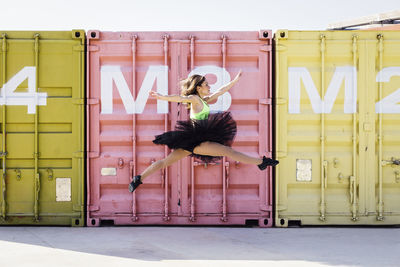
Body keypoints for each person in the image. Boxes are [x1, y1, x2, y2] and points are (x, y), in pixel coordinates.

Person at [129, 71, 279, 193]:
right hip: (196, 138)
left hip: (192, 140)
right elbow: (180, 98)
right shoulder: (194, 98)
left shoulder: (205, 100)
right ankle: (262, 162)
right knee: (228, 151)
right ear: (198, 87)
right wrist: (161, 96)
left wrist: (234, 82)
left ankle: (139, 178)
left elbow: (221, 91)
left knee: (164, 163)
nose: (209, 87)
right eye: (206, 85)